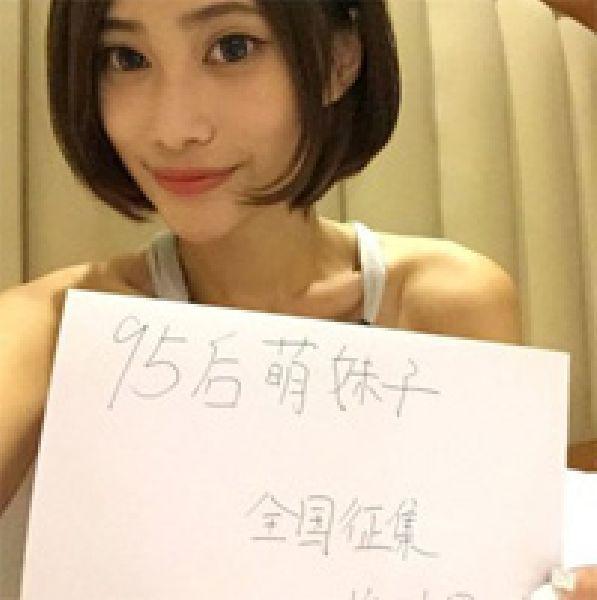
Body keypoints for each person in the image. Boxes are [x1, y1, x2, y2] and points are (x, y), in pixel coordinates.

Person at [0, 0, 594, 597]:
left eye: (232, 48)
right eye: (126, 58)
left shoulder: (443, 303)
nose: (175, 128)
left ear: (340, 60)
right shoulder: (49, 329)